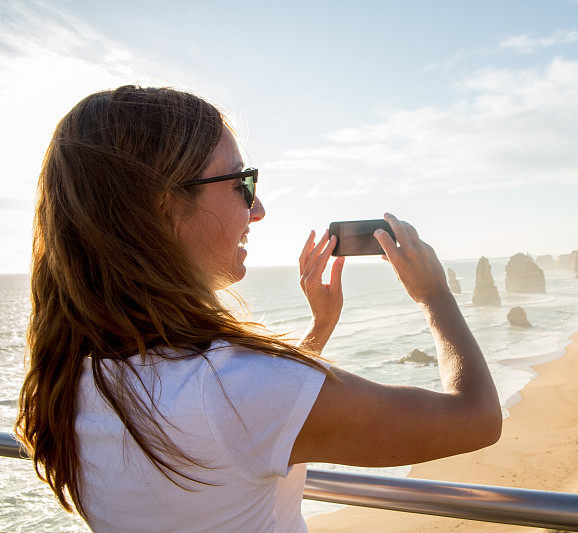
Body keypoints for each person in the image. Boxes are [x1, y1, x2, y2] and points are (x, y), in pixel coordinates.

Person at [16, 85, 501, 532]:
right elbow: (475, 418)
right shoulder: (233, 391)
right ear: (165, 206)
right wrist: (434, 295)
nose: (259, 209)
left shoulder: (70, 378)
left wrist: (319, 329)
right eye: (242, 183)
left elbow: (244, 435)